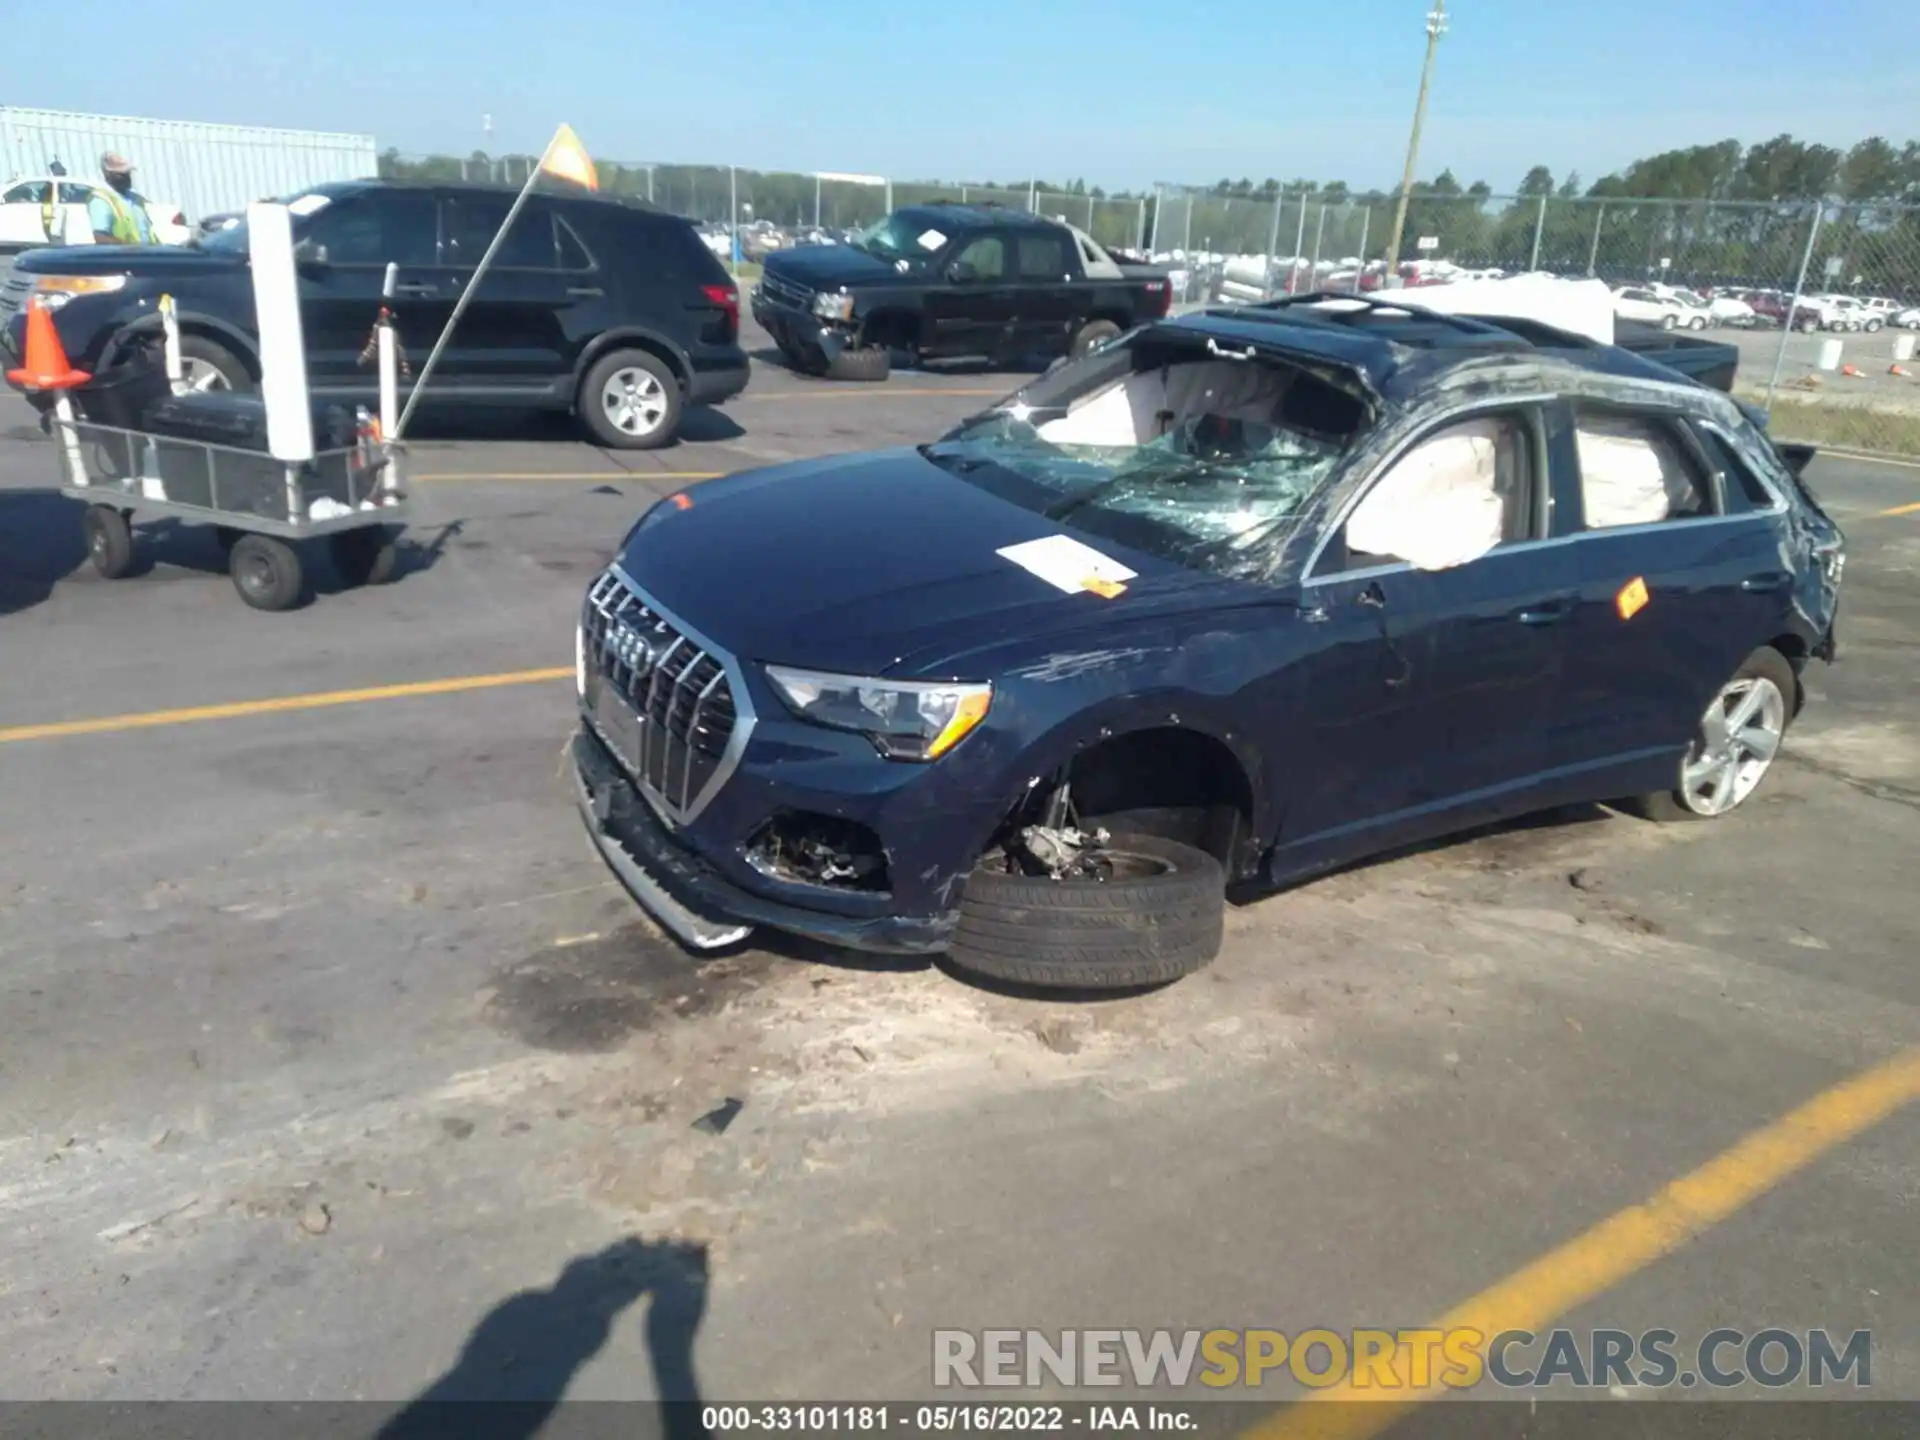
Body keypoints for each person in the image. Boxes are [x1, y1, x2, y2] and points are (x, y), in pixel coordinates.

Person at [88, 152, 155, 245]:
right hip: (122, 257)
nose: (127, 178)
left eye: (127, 174)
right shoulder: (101, 199)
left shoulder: (136, 199)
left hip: (146, 255)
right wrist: (127, 248)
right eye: (121, 175)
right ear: (108, 175)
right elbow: (101, 237)